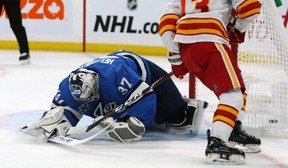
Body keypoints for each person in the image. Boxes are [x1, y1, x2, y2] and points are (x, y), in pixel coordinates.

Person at [157, 0, 262, 165]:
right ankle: (217, 141)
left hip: (187, 48)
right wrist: (237, 29)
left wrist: (176, 57)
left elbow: (166, 26)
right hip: (210, 43)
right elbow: (252, 6)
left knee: (238, 86)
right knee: (232, 96)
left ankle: (231, 128)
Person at [21, 50, 208, 143]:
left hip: (143, 71)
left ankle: (182, 106)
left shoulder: (116, 77)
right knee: (116, 110)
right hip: (114, 77)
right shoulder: (69, 84)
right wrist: (58, 119)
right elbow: (65, 108)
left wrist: (135, 123)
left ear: (95, 86)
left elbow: (147, 97)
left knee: (177, 117)